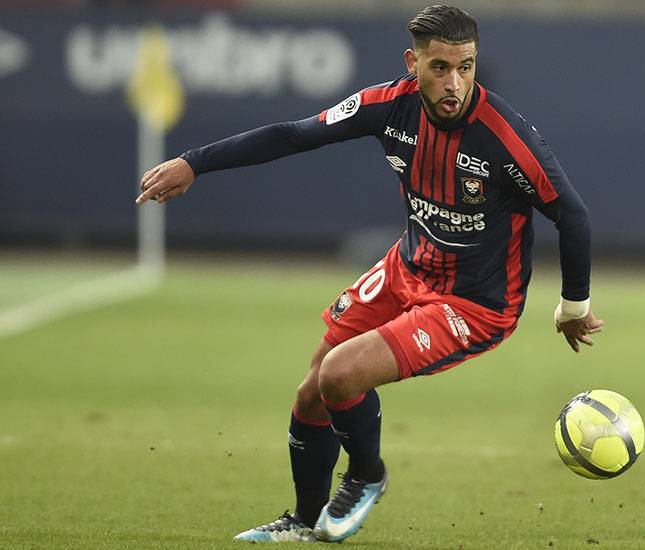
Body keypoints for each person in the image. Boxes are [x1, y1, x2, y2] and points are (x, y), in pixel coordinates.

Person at [135, 4, 603, 544]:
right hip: (408, 267)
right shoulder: (388, 106)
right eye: (440, 68)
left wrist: (574, 306)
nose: (455, 83)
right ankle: (304, 523)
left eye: (466, 67)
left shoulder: (506, 138)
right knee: (312, 389)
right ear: (413, 63)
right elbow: (294, 135)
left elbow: (573, 215)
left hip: (474, 303)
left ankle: (366, 475)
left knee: (340, 374)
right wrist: (196, 162)